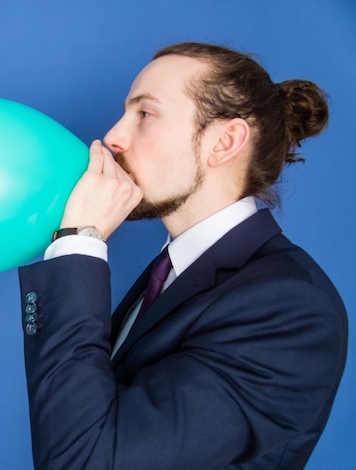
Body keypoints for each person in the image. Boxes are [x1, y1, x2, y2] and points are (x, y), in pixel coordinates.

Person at [17, 42, 348, 469]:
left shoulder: (292, 306)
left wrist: (79, 242)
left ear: (225, 141)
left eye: (145, 114)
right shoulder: (169, 273)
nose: (113, 137)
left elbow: (87, 461)